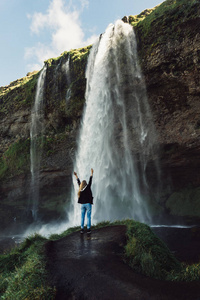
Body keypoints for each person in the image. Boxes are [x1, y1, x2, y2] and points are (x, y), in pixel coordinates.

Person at [74, 169, 94, 234]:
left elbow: (78, 182)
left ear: (82, 185)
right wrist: (91, 174)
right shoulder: (88, 187)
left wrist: (76, 176)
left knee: (82, 217)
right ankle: (88, 229)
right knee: (88, 217)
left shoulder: (80, 189)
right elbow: (90, 181)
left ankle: (82, 229)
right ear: (86, 184)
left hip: (82, 205)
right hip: (88, 204)